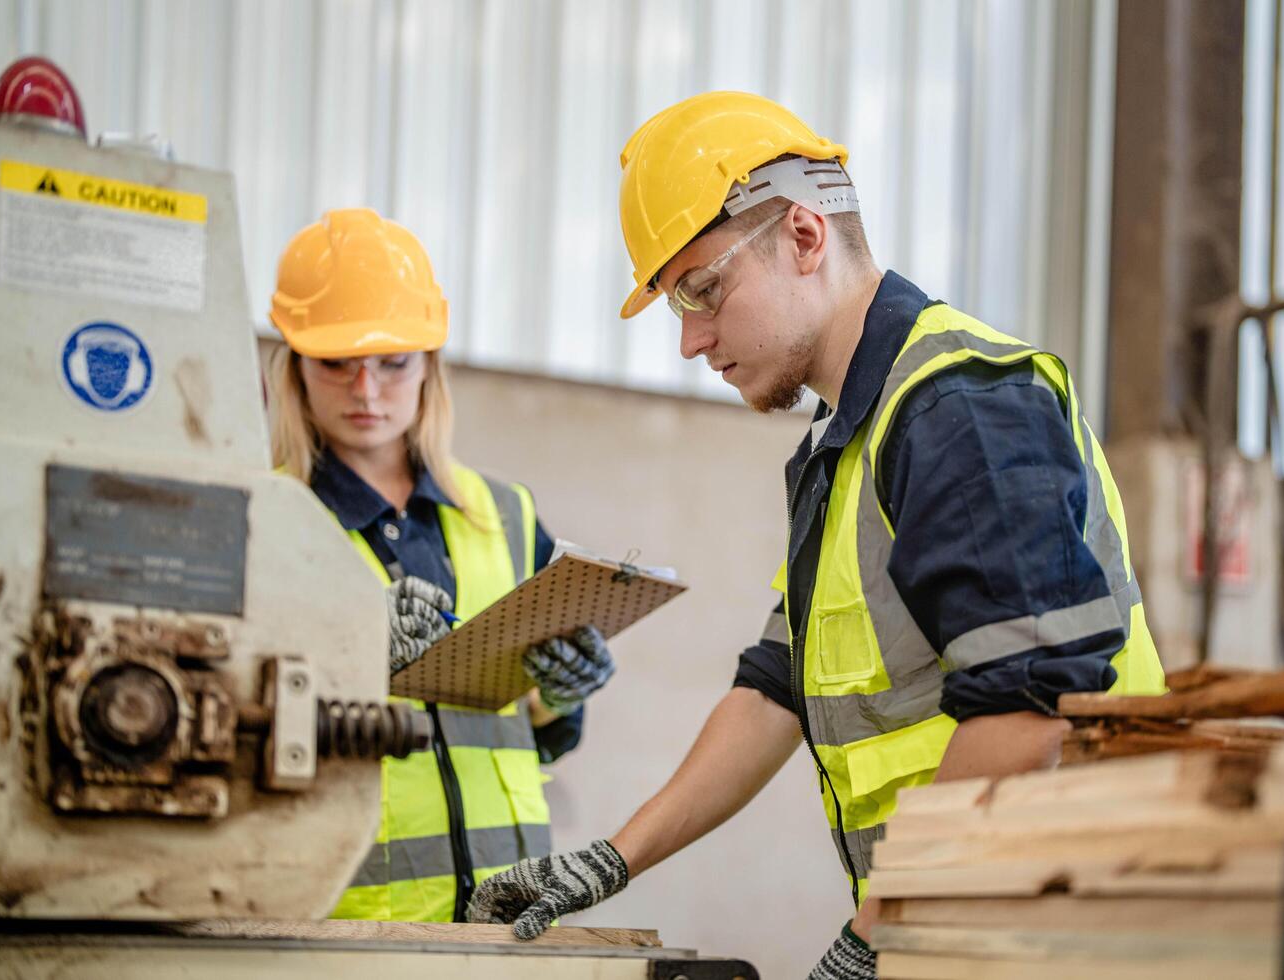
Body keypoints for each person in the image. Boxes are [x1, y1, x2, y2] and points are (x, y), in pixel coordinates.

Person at [467, 93, 1167, 977]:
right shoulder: (843, 448)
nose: (689, 339)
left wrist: (873, 937)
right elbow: (774, 690)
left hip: (1064, 941)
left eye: (702, 289)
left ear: (804, 235)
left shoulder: (958, 408)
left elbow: (1031, 715)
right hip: (962, 936)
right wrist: (611, 860)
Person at [267, 208, 616, 923]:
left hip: (510, 920)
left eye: (393, 363)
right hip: (345, 929)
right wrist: (349, 653)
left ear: (429, 363)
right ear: (295, 365)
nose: (367, 392)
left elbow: (538, 731)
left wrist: (563, 691)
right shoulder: (263, 518)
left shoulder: (505, 514)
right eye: (338, 364)